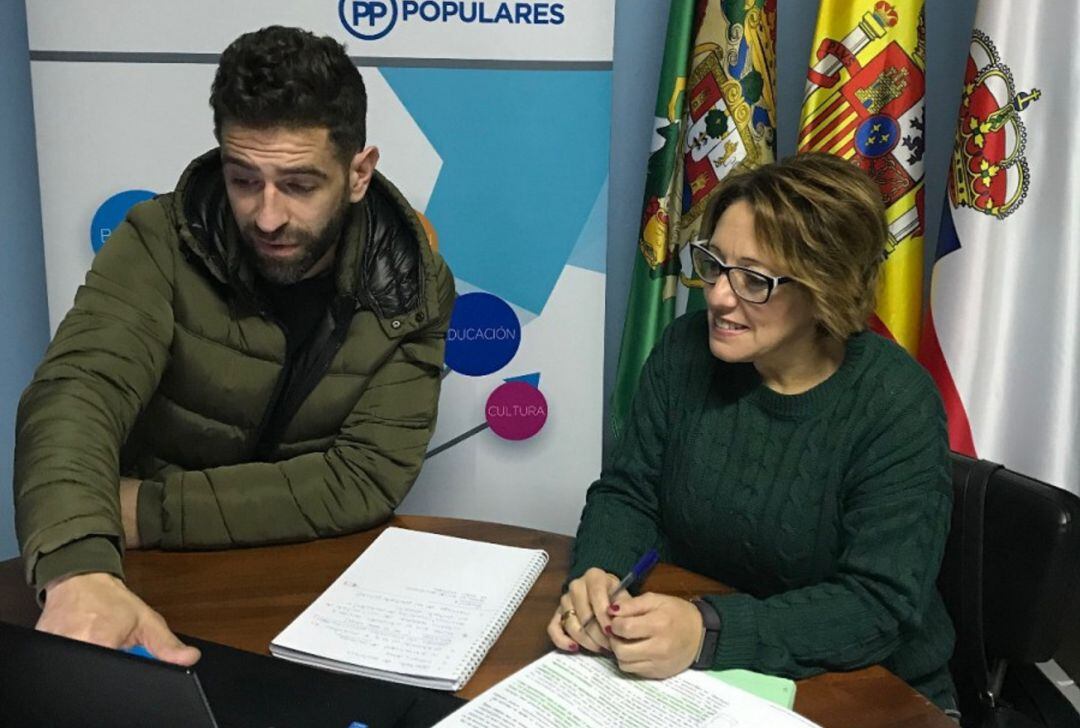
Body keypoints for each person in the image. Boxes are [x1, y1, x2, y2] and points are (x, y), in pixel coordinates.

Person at [15, 26, 455, 665]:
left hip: (310, 591)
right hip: (146, 585)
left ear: (359, 173)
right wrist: (78, 570)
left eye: (300, 185)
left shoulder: (411, 283)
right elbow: (79, 391)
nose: (268, 215)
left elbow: (365, 477)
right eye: (244, 179)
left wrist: (148, 510)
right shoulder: (155, 241)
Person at [548, 153, 957, 711]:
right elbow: (629, 493)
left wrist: (707, 631)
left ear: (826, 289)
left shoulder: (895, 404)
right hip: (710, 680)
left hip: (874, 688)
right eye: (715, 264)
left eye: (754, 280)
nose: (718, 295)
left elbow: (879, 606)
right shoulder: (684, 351)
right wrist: (600, 576)